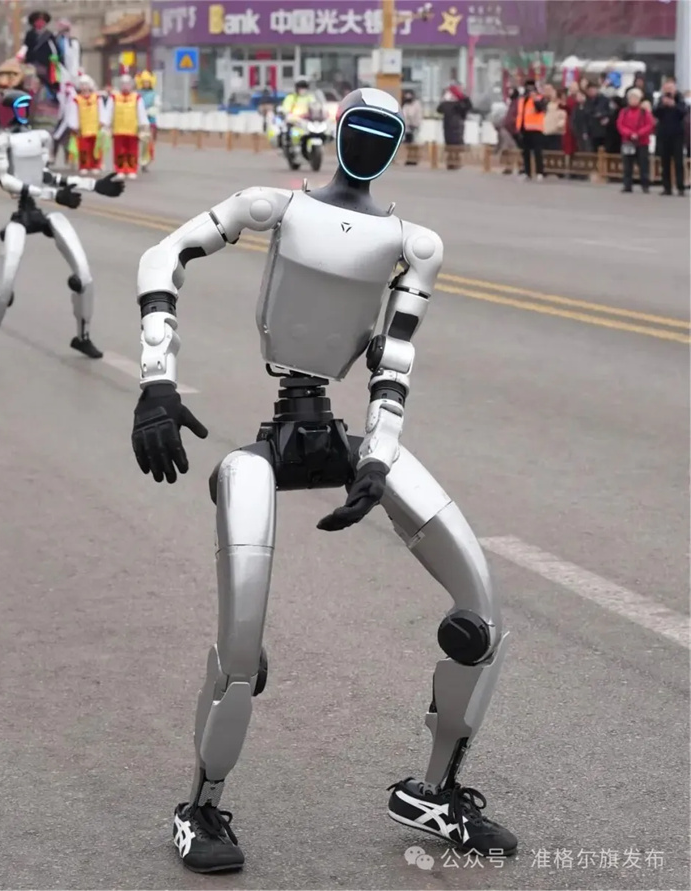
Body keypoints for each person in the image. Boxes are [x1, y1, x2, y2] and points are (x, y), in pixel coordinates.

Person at [130, 86, 516, 874]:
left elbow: (394, 356)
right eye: (359, 127)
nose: (369, 140)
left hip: (348, 438)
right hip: (270, 445)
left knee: (480, 611)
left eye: (385, 131)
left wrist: (377, 454)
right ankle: (200, 803)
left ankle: (434, 791)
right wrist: (156, 378)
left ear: (397, 143)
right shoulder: (274, 205)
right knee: (242, 641)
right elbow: (161, 256)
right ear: (337, 131)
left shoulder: (414, 244)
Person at [0, 89, 125, 364]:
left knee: (84, 275)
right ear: (9, 111)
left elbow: (46, 175)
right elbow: (7, 181)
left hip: (40, 212)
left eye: (26, 106)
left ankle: (83, 336)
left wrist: (94, 185)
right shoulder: (0, 142)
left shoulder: (40, 137)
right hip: (21, 216)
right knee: (5, 287)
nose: (25, 111)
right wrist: (54, 195)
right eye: (20, 107)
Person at [102, 73, 149, 179]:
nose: (125, 86)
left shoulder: (137, 98)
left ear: (131, 85)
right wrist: (106, 124)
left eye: (127, 84)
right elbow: (109, 111)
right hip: (118, 129)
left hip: (132, 129)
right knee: (119, 151)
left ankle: (131, 169)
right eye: (123, 84)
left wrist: (144, 125)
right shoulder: (114, 97)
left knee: (132, 151)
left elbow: (141, 112)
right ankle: (120, 169)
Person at [616, 88, 654, 194]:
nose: (633, 100)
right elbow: (620, 125)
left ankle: (645, 185)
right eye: (631, 98)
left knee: (643, 164)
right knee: (627, 164)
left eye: (635, 98)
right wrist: (629, 133)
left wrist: (639, 133)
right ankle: (627, 185)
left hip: (642, 142)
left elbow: (649, 125)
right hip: (628, 141)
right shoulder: (624, 111)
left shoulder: (644, 112)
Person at [653, 77, 686, 196]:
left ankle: (680, 187)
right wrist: (663, 105)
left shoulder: (680, 98)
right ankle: (667, 187)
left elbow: (683, 112)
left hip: (677, 135)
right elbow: (655, 112)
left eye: (670, 88)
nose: (668, 90)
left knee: (678, 162)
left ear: (674, 89)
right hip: (663, 134)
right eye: (666, 88)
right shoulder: (660, 99)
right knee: (664, 161)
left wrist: (673, 105)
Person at [66, 74, 104, 175]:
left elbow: (101, 110)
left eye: (86, 84)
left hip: (95, 127)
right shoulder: (76, 99)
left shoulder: (97, 98)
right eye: (82, 85)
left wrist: (102, 121)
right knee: (83, 149)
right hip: (82, 128)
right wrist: (74, 125)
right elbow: (73, 113)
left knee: (95, 148)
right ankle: (84, 165)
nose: (84, 87)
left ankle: (96, 165)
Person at [516, 78, 546, 180]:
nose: (529, 90)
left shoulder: (539, 98)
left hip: (536, 129)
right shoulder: (522, 100)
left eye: (531, 88)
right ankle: (527, 172)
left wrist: (535, 99)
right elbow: (520, 114)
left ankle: (539, 172)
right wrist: (519, 128)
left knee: (537, 151)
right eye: (528, 88)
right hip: (525, 129)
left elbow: (540, 109)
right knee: (526, 152)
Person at [437, 83, 472, 169]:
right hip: (457, 126)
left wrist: (443, 100)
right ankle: (455, 162)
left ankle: (450, 163)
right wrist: (464, 97)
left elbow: (439, 109)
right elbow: (469, 107)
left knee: (450, 145)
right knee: (456, 146)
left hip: (447, 126)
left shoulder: (446, 104)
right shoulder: (459, 104)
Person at [135, 70, 159, 172]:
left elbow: (156, 107)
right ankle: (133, 161)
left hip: (149, 121)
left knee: (147, 143)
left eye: (147, 82)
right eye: (144, 82)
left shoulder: (154, 94)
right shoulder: (137, 94)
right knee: (134, 143)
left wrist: (146, 112)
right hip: (137, 121)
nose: (145, 84)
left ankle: (145, 162)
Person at [583, 82, 609, 152]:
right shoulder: (586, 102)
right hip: (592, 131)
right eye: (589, 90)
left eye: (593, 89)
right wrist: (585, 131)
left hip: (603, 130)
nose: (591, 92)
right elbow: (585, 118)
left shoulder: (604, 100)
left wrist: (604, 116)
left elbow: (610, 112)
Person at [401, 88, 423, 165]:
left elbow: (416, 115)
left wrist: (415, 124)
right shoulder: (406, 105)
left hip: (415, 126)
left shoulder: (417, 104)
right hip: (408, 127)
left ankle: (414, 159)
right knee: (408, 143)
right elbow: (404, 114)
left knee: (414, 143)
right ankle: (409, 158)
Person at [542, 83, 566, 152]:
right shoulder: (548, 104)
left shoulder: (561, 105)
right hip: (547, 131)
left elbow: (563, 116)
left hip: (557, 132)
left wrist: (559, 125)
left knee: (556, 151)